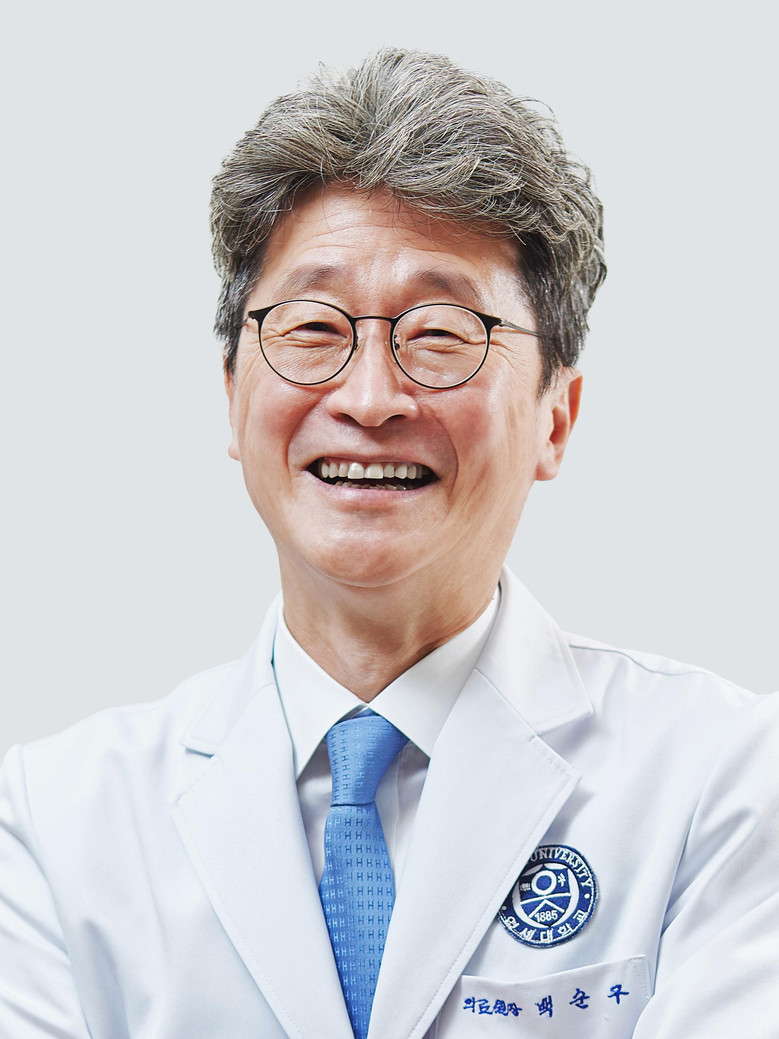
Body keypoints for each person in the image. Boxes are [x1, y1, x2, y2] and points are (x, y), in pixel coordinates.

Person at [1, 47, 777, 1039]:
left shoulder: (724, 779)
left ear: (556, 416)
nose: (368, 399)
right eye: (312, 328)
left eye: (441, 333)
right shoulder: (55, 818)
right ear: (232, 396)